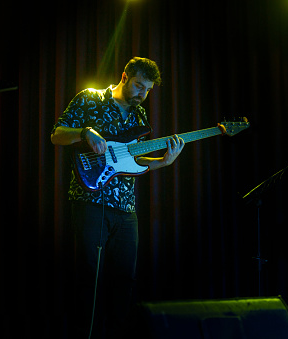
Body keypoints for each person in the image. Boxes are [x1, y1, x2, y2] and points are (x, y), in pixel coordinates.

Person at [51, 57, 184, 338]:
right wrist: (85, 132)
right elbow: (57, 135)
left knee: (124, 279)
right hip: (90, 201)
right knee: (88, 276)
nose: (142, 94)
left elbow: (133, 164)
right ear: (124, 77)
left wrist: (164, 161)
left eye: (147, 90)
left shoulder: (139, 117)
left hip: (126, 207)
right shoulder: (90, 99)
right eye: (138, 86)